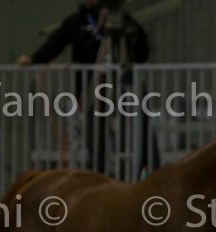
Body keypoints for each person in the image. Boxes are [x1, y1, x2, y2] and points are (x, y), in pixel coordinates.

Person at [17, 0, 152, 175]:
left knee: (131, 137)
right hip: (91, 94)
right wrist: (34, 59)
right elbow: (56, 42)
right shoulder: (78, 21)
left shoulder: (123, 21)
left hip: (122, 94)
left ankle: (134, 173)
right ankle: (99, 176)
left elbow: (142, 51)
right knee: (95, 141)